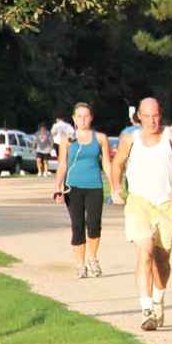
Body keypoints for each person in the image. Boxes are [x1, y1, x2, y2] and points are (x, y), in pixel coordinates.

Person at [107, 97, 172, 331]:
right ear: (138, 117)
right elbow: (117, 164)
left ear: (161, 115)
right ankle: (146, 308)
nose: (151, 121)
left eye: (155, 115)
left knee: (162, 260)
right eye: (146, 116)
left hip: (167, 204)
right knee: (145, 252)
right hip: (139, 202)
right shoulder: (130, 140)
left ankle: (159, 298)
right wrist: (116, 187)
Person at [55, 102, 110, 278]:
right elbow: (62, 164)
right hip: (73, 187)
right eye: (79, 116)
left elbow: (107, 164)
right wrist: (57, 187)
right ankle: (80, 264)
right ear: (74, 119)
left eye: (86, 116)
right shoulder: (68, 140)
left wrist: (115, 186)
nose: (83, 119)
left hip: (94, 186)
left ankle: (92, 258)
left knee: (93, 225)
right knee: (77, 226)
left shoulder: (100, 138)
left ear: (91, 117)